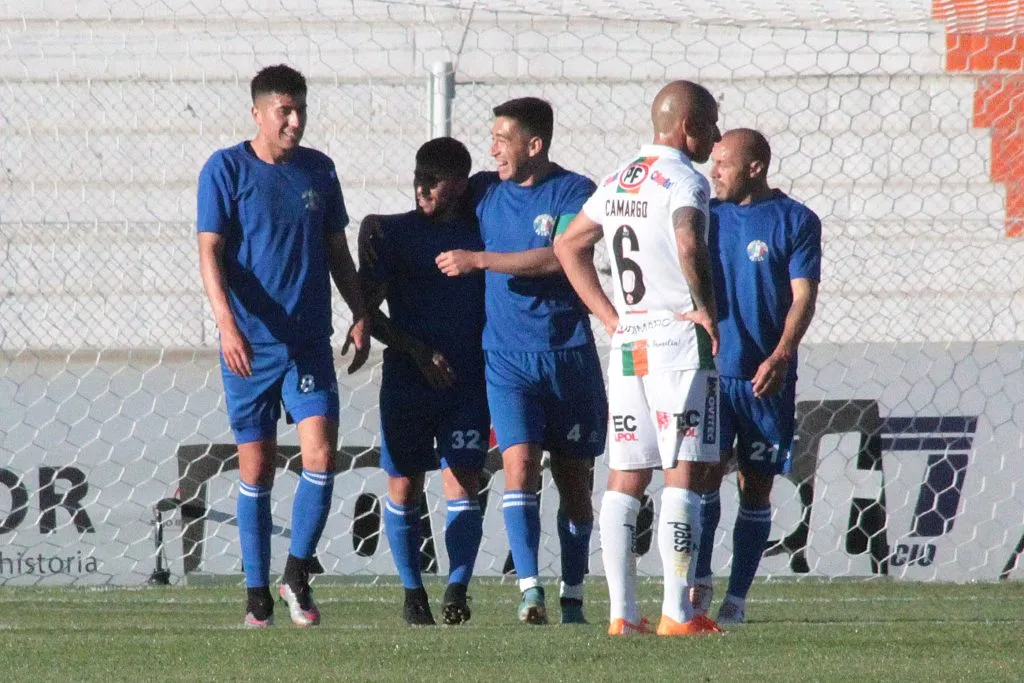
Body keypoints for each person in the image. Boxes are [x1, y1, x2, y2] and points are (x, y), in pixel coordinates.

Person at [196, 64, 369, 628]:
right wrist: (227, 326)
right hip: (249, 345)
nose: (294, 121)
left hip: (307, 343)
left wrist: (361, 311)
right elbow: (210, 253)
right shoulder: (225, 169)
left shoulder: (319, 170)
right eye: (283, 111)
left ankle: (296, 573)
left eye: (300, 110)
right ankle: (255, 594)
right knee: (258, 468)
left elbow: (336, 252)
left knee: (322, 456)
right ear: (258, 113)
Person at [554, 80, 725, 636]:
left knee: (625, 475)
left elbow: (568, 244)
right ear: (687, 128)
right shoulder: (685, 180)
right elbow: (688, 245)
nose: (717, 136)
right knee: (683, 473)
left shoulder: (619, 177)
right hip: (676, 340)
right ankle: (679, 611)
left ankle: (622, 615)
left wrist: (608, 315)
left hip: (629, 346)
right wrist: (704, 307)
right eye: (712, 125)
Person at [435, 97, 607, 625]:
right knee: (520, 467)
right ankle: (530, 589)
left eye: (502, 139)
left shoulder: (575, 191)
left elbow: (559, 254)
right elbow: (437, 193)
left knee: (576, 481)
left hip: (569, 354)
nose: (493, 150)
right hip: (507, 359)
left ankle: (573, 594)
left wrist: (481, 260)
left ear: (534, 145)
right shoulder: (486, 190)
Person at [357, 138, 489, 627]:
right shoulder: (392, 233)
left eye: (433, 178)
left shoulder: (482, 234)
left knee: (464, 481)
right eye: (418, 175)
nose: (422, 186)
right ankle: (413, 595)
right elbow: (368, 311)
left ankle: (457, 587)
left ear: (459, 183)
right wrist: (414, 349)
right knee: (404, 484)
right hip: (408, 379)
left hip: (467, 379)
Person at [692, 128, 821, 625]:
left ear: (755, 167)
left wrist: (782, 353)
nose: (713, 171)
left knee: (755, 484)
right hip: (711, 376)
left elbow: (803, 296)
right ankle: (697, 590)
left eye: (723, 163)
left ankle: (737, 600)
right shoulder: (706, 218)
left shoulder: (796, 220)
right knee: (702, 478)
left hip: (766, 377)